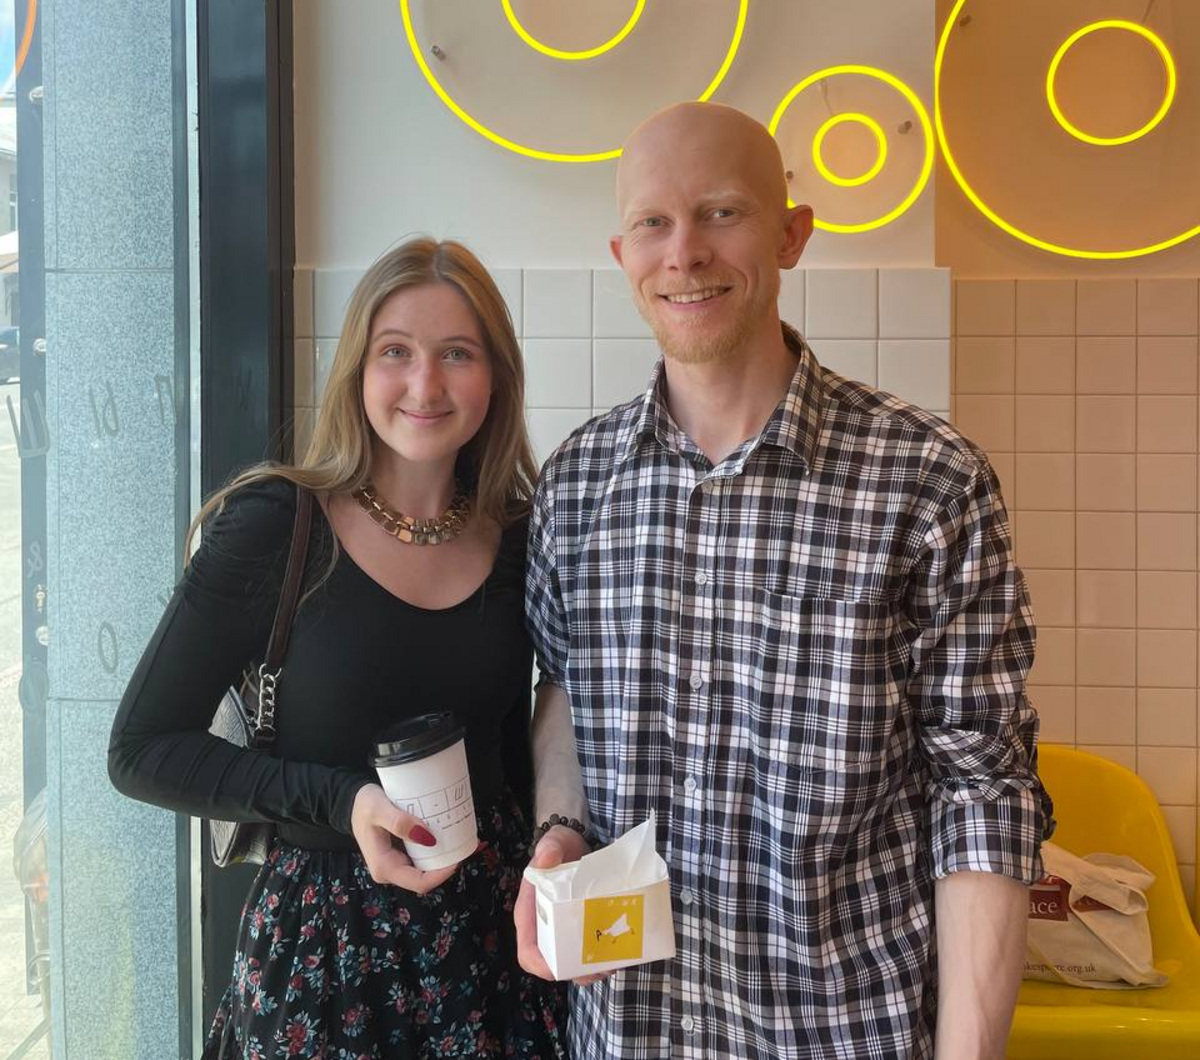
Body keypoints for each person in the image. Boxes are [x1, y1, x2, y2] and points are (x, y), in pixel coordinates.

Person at [516, 102, 1053, 1060]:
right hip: (630, 1031)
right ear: (623, 255)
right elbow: (562, 683)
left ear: (791, 235)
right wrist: (561, 828)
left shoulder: (928, 480)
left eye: (721, 212)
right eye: (653, 223)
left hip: (838, 1031)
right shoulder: (577, 483)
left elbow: (982, 794)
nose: (684, 252)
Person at [110, 238, 568, 1058]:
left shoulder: (519, 536)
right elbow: (141, 751)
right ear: (356, 368)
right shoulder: (277, 525)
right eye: (396, 352)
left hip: (494, 949)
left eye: (456, 353)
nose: (425, 385)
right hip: (325, 955)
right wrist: (342, 800)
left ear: (496, 377)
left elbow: (515, 746)